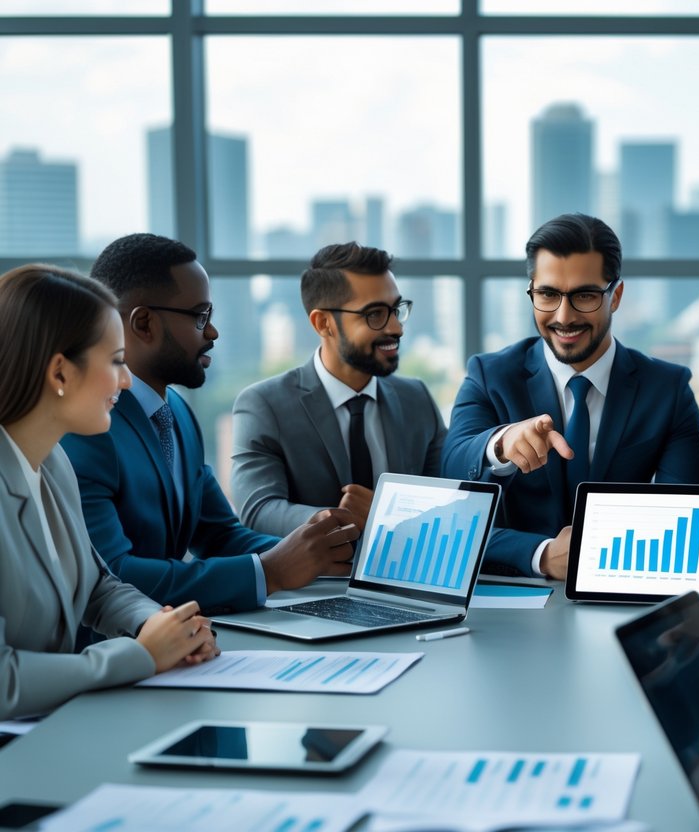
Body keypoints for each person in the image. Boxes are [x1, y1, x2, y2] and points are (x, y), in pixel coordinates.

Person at [60, 234, 360, 615]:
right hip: (115, 655)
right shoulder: (87, 427)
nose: (213, 332)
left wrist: (324, 551)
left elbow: (219, 534)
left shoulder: (179, 416)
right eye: (201, 317)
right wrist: (269, 571)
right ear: (145, 323)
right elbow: (112, 575)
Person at [0, 264, 218, 720]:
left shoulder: (53, 461)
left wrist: (159, 624)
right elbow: (6, 681)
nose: (124, 380)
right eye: (116, 361)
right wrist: (140, 656)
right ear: (60, 373)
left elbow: (96, 585)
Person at [442, 213, 699, 578]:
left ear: (616, 296)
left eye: (585, 295)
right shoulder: (490, 375)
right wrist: (501, 444)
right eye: (548, 294)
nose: (564, 317)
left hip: (621, 596)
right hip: (512, 602)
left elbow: (686, 521)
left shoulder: (667, 389)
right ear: (532, 290)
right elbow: (450, 483)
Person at [231, 242, 446, 535]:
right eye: (375, 314)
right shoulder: (264, 404)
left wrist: (383, 515)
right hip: (317, 579)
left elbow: (447, 498)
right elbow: (259, 510)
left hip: (411, 575)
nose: (396, 328)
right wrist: (348, 519)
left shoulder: (416, 397)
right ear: (324, 323)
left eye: (396, 310)